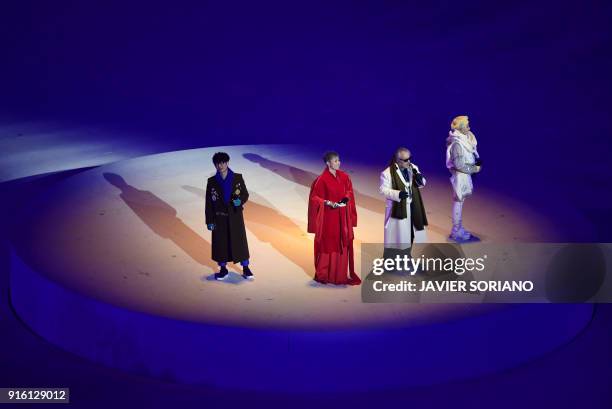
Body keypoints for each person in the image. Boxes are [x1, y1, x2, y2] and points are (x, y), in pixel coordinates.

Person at [307, 151, 361, 285]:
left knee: (342, 241)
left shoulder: (344, 176)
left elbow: (349, 191)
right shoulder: (322, 179)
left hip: (342, 216)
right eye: (335, 161)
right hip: (329, 217)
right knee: (328, 243)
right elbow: (315, 197)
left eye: (339, 160)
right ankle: (325, 274)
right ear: (328, 163)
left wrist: (345, 199)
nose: (339, 162)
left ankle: (339, 275)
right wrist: (328, 202)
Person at [205, 152, 253, 280]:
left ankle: (246, 267)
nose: (220, 166)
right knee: (221, 244)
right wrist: (209, 220)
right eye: (217, 163)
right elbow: (208, 203)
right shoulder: (212, 181)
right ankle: (223, 268)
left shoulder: (237, 178)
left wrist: (240, 201)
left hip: (235, 216)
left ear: (227, 163)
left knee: (240, 242)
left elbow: (245, 194)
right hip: (219, 217)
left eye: (222, 162)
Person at [379, 147, 428, 264]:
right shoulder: (387, 173)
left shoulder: (413, 168)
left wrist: (420, 179)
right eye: (405, 160)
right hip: (398, 208)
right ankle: (392, 260)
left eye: (410, 158)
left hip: (412, 207)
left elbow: (422, 183)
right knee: (397, 236)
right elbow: (383, 190)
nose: (409, 161)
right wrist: (398, 194)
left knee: (409, 233)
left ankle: (406, 256)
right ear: (397, 160)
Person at [446, 115, 482, 241]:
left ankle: (458, 228)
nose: (469, 127)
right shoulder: (457, 144)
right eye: (467, 126)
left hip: (464, 176)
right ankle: (456, 230)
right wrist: (474, 169)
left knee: (460, 202)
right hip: (460, 177)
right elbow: (459, 165)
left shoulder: (464, 140)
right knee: (458, 202)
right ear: (461, 128)